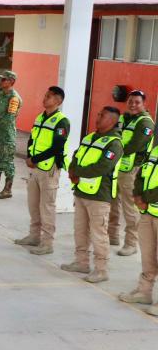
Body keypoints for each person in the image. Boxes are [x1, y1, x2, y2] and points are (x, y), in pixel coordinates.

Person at [62, 106, 123, 284]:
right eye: (98, 114)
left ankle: (101, 270)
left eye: (101, 116)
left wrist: (77, 173)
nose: (97, 117)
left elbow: (102, 166)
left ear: (111, 121)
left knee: (98, 234)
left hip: (99, 196)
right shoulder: (90, 137)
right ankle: (81, 262)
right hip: (81, 191)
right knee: (80, 230)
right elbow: (76, 156)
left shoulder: (114, 144)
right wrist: (73, 170)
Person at [15, 86, 69, 251]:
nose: (45, 98)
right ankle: (34, 236)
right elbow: (32, 139)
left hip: (49, 170)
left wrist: (35, 159)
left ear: (58, 101)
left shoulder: (61, 121)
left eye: (49, 96)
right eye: (45, 95)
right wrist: (28, 156)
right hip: (35, 168)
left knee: (47, 206)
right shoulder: (40, 117)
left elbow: (57, 147)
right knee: (34, 204)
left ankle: (47, 243)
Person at [109, 90, 154, 256]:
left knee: (130, 208)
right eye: (130, 101)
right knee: (113, 202)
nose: (133, 105)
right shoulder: (123, 118)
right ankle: (112, 236)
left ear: (144, 104)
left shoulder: (145, 123)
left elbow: (133, 146)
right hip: (117, 167)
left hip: (132, 171)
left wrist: (113, 152)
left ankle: (131, 243)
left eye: (137, 102)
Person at [121, 134, 158, 313]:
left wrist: (145, 198)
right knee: (148, 256)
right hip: (148, 212)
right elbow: (141, 174)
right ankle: (144, 292)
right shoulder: (155, 151)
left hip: (149, 205)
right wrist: (137, 195)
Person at [0, 70, 22, 199]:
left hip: (6, 134)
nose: (1, 81)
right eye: (1, 79)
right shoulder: (1, 95)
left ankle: (7, 189)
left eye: (4, 79)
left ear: (11, 81)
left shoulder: (14, 98)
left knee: (6, 161)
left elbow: (9, 118)